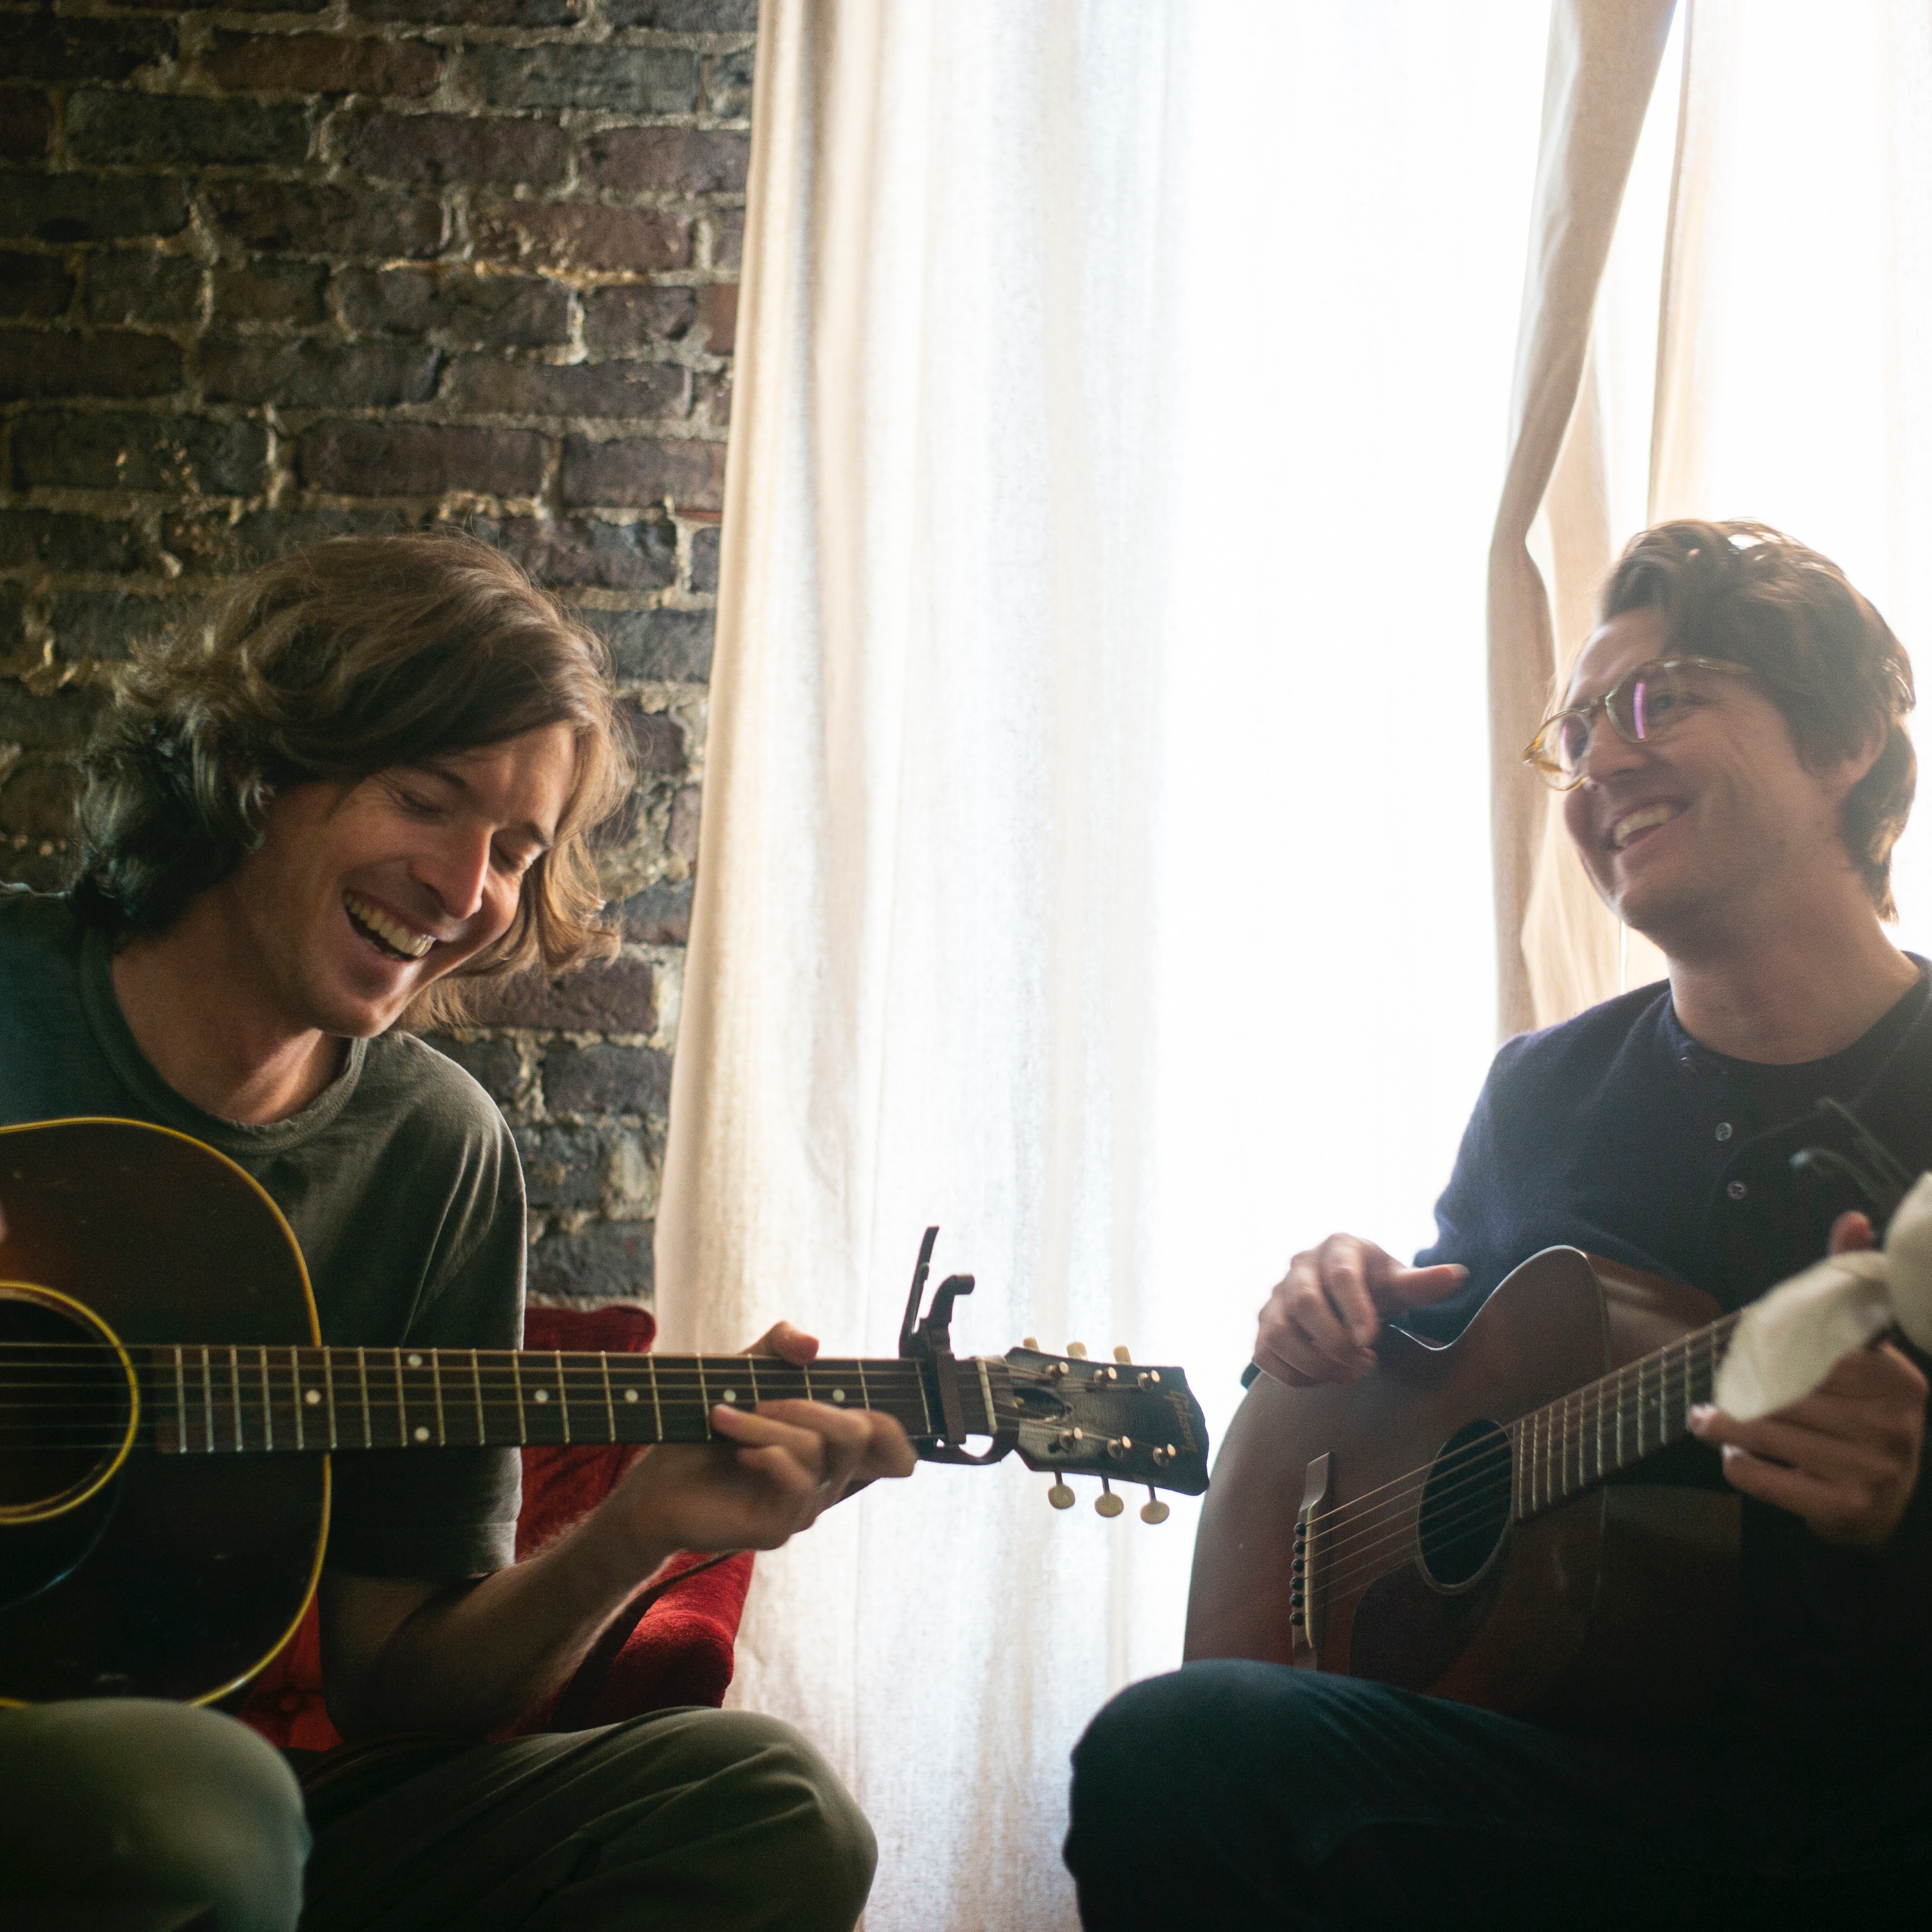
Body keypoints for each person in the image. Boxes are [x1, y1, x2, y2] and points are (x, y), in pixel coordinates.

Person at [0, 533, 914, 1932]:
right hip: (166, 1806)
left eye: (517, 852)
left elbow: (400, 1688)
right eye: (430, 802)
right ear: (258, 769)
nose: (466, 887)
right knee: (201, 1813)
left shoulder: (434, 1152)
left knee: (768, 1803)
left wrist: (639, 1528)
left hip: (220, 1804)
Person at [1065, 521, 1932, 1929]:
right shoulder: (1543, 1095)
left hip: (1873, 1811)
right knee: (1178, 1751)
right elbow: (1424, 1400)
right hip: (1563, 1789)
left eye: (1660, 701)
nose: (1599, 765)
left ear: (1841, 745)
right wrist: (1323, 1324)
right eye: (1579, 736)